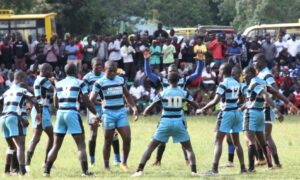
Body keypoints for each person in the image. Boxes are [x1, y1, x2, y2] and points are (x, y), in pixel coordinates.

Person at [132, 72, 199, 177]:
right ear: (178, 81)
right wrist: (197, 108)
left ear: (168, 81)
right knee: (188, 148)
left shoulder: (163, 93)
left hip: (165, 122)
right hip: (178, 122)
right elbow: (195, 105)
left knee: (151, 146)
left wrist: (145, 112)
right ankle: (194, 172)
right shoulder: (183, 92)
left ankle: (139, 170)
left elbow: (151, 105)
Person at [144, 49, 204, 165]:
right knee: (161, 138)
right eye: (171, 71)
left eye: (175, 70)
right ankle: (158, 160)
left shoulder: (184, 80)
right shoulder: (162, 81)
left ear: (178, 72)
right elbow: (148, 74)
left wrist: (200, 61)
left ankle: (187, 160)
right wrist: (146, 60)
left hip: (179, 113)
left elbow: (197, 74)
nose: (173, 72)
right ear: (167, 72)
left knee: (183, 139)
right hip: (166, 113)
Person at [44, 64, 99, 177]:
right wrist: (96, 114)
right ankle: (85, 172)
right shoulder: (80, 83)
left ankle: (46, 171)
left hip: (60, 113)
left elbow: (55, 103)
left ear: (65, 72)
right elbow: (87, 101)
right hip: (72, 113)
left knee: (56, 145)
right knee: (81, 145)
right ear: (76, 71)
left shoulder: (58, 84)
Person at [197, 63, 246, 175]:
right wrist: (233, 103)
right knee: (237, 142)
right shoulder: (237, 83)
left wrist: (203, 109)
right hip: (236, 113)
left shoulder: (223, 84)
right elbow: (241, 99)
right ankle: (243, 168)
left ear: (223, 71)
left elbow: (215, 101)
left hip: (226, 114)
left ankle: (214, 169)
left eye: (220, 70)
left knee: (218, 140)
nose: (218, 71)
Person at [90, 60, 138, 171]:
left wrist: (134, 107)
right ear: (104, 70)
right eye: (110, 71)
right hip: (108, 114)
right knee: (108, 141)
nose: (112, 73)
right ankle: (106, 166)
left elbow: (127, 95)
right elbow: (91, 99)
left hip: (121, 112)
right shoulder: (99, 83)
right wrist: (98, 108)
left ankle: (124, 163)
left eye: (114, 71)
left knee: (127, 138)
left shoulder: (120, 80)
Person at [253, 53, 298, 167]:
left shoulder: (267, 74)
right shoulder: (261, 74)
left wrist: (268, 103)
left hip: (267, 108)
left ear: (263, 61)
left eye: (256, 61)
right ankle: (261, 159)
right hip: (261, 108)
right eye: (253, 61)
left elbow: (275, 90)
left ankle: (276, 163)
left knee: (266, 135)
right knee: (258, 134)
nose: (254, 63)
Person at [241, 66, 283, 172]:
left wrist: (276, 110)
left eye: (245, 73)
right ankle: (270, 165)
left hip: (252, 114)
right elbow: (271, 93)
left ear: (251, 73)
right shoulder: (262, 82)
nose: (244, 76)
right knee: (262, 141)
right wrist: (242, 106)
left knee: (250, 140)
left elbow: (265, 96)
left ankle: (251, 168)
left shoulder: (254, 82)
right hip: (260, 113)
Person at [0, 71, 42, 176]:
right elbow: (35, 101)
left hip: (3, 118)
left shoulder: (6, 92)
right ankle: (23, 172)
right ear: (20, 78)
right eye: (25, 79)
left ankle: (7, 171)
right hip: (15, 118)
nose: (26, 81)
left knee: (11, 146)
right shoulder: (23, 90)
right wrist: (39, 114)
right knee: (20, 146)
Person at [26, 63, 55, 171]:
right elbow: (53, 89)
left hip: (38, 110)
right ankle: (45, 162)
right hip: (41, 110)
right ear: (47, 71)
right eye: (51, 71)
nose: (52, 73)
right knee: (51, 137)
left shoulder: (38, 79)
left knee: (37, 138)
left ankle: (27, 165)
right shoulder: (43, 80)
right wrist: (54, 81)